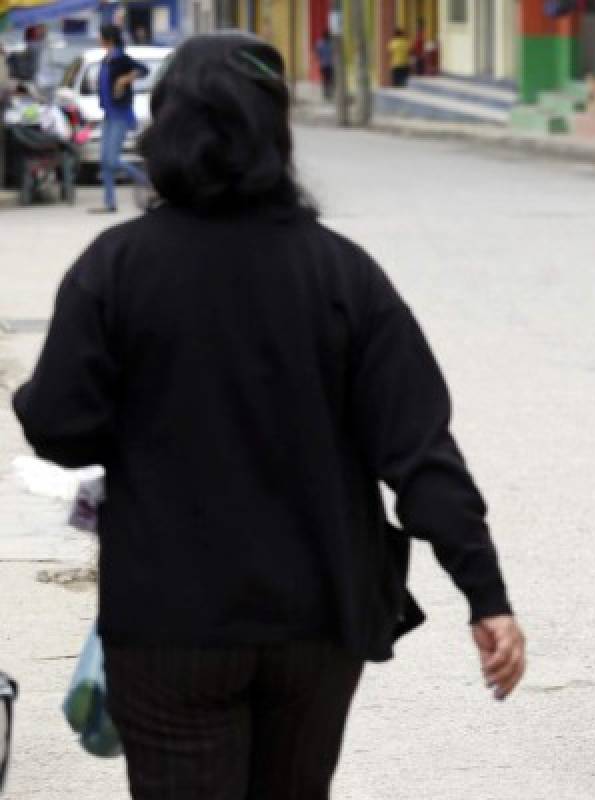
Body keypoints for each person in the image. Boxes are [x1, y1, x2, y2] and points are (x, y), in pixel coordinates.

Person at [12, 32, 525, 798]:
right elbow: (419, 454)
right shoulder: (344, 276)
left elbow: (56, 424)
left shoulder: (115, 269)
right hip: (316, 624)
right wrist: (487, 599)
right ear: (277, 135)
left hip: (168, 623)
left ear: (165, 132)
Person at [92, 24, 148, 213]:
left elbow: (143, 70)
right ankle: (110, 202)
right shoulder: (106, 60)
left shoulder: (121, 59)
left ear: (108, 39)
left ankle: (145, 180)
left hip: (121, 114)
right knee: (104, 160)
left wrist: (125, 79)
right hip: (108, 114)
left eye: (100, 37)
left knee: (112, 160)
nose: (98, 40)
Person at [315, 31, 334, 100]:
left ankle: (326, 93)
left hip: (323, 64)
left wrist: (320, 59)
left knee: (325, 79)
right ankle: (329, 93)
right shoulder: (331, 44)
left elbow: (317, 54)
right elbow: (333, 53)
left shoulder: (319, 44)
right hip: (330, 65)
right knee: (330, 79)